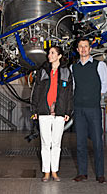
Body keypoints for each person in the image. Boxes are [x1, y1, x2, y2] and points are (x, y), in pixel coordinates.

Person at [31, 46, 73, 182]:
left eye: (52, 53)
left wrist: (68, 111)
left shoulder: (66, 72)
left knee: (56, 143)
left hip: (60, 112)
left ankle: (54, 171)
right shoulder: (42, 71)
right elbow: (36, 92)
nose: (49, 55)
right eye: (49, 53)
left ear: (59, 56)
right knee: (45, 143)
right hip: (44, 111)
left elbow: (69, 94)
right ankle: (46, 172)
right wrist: (35, 110)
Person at [72, 38, 107, 183]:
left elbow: (104, 86)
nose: (83, 49)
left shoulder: (99, 65)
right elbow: (74, 87)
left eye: (85, 46)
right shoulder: (73, 67)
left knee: (97, 143)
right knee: (80, 143)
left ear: (90, 49)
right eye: (80, 47)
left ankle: (100, 174)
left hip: (93, 109)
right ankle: (82, 173)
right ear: (77, 49)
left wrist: (93, 98)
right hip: (79, 109)